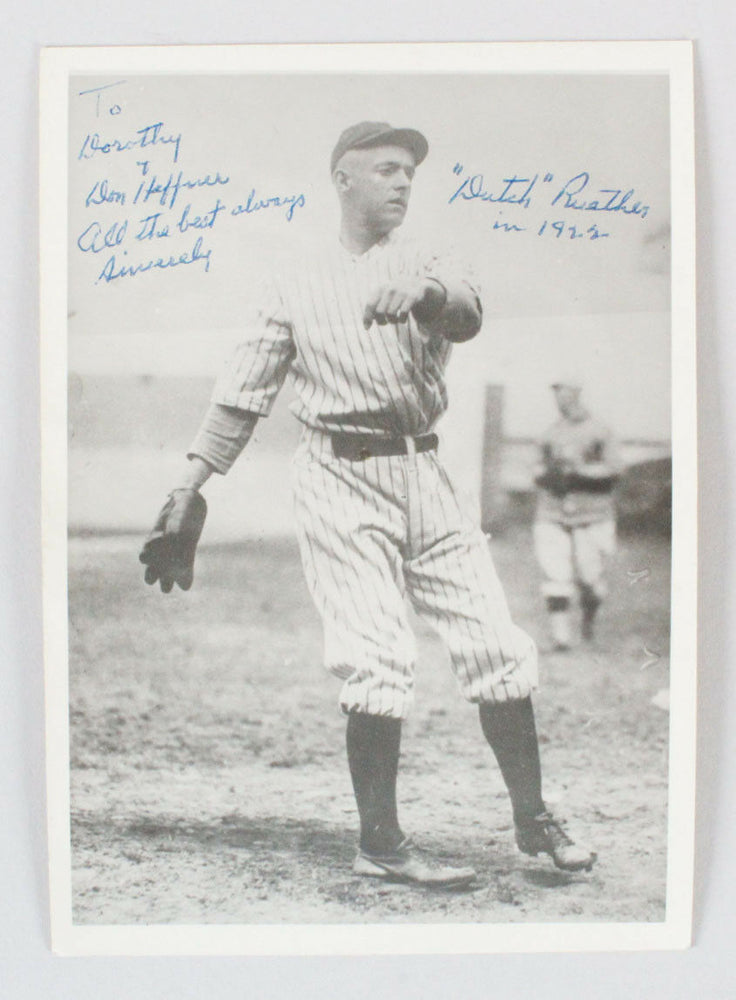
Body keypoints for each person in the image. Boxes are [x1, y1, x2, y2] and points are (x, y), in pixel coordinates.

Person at [140, 122, 596, 888]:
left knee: (497, 645)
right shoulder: (290, 278)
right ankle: (380, 843)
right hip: (337, 477)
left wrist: (424, 293)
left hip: (426, 471)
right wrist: (189, 488)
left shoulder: (432, 259)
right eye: (385, 169)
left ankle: (532, 817)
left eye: (410, 173)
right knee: (379, 656)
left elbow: (467, 312)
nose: (402, 183)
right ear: (342, 180)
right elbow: (241, 396)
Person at [533, 379, 620, 650]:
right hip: (553, 511)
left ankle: (588, 623)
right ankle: (561, 638)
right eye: (557, 392)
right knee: (555, 573)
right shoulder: (550, 433)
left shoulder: (599, 431)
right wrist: (549, 475)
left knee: (590, 577)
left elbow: (614, 469)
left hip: (592, 512)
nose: (561, 398)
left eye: (566, 391)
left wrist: (579, 472)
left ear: (579, 392)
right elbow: (536, 469)